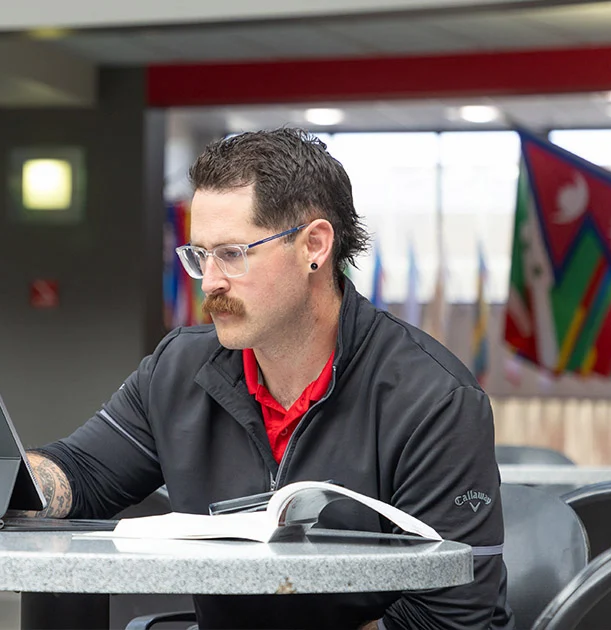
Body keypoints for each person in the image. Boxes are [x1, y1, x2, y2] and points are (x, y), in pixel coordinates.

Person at [26, 128, 512, 629]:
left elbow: (452, 619)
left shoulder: (433, 399)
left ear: (314, 247)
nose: (210, 281)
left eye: (233, 254)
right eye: (199, 256)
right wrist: (7, 483)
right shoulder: (177, 370)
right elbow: (80, 474)